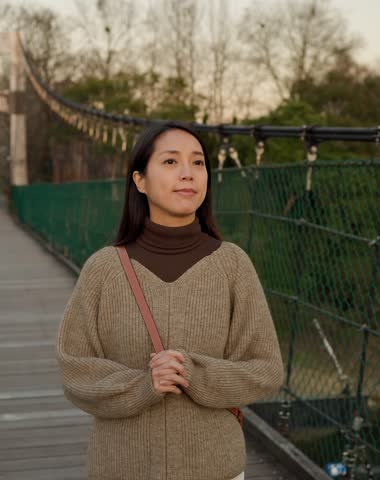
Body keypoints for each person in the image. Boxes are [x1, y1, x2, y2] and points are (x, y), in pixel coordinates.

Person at [55, 121, 285, 480]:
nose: (187, 173)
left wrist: (193, 373)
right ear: (140, 181)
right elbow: (75, 371)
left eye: (198, 162)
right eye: (170, 161)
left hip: (215, 470)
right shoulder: (103, 269)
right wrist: (145, 385)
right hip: (122, 469)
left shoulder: (233, 264)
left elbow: (265, 369)